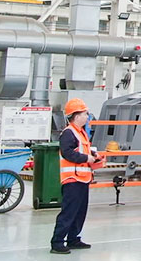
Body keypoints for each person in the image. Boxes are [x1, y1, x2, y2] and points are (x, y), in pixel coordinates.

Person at [50, 98, 103, 254]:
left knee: (80, 211)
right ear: (76, 115)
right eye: (85, 114)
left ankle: (73, 239)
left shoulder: (81, 133)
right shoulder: (69, 133)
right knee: (69, 212)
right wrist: (87, 158)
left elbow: (81, 150)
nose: (87, 116)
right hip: (72, 179)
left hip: (83, 178)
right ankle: (57, 242)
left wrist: (93, 155)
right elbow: (67, 153)